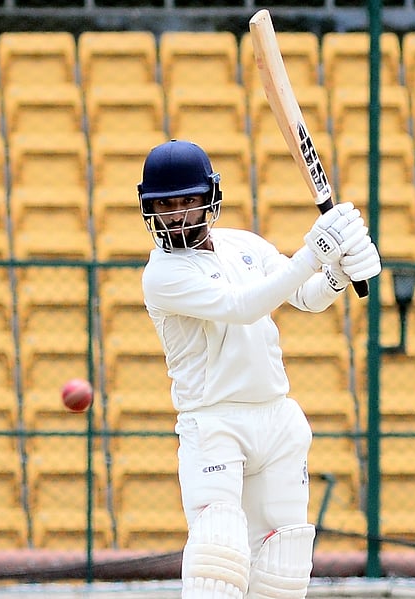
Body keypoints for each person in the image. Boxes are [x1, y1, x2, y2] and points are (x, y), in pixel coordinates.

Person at [137, 140, 381, 599]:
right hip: (214, 422)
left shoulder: (244, 244)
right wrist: (315, 252)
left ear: (211, 198)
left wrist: (337, 273)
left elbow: (305, 296)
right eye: (165, 205)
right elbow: (244, 306)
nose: (176, 216)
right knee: (218, 561)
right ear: (149, 208)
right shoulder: (163, 275)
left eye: (188, 201)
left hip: (275, 417)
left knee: (282, 571)